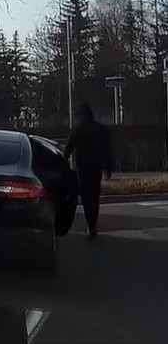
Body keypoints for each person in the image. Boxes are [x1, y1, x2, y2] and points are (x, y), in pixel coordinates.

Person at [63, 102, 113, 241]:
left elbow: (68, 149)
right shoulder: (102, 130)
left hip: (82, 168)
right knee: (95, 197)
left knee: (85, 197)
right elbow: (107, 152)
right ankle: (93, 222)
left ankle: (90, 223)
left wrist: (61, 161)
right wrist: (108, 168)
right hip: (96, 167)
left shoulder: (78, 130)